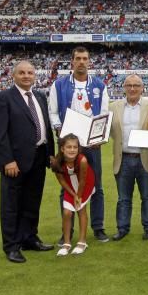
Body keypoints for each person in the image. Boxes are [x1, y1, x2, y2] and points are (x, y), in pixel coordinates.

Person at [0, 61, 55, 263]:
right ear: (14, 75)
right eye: (22, 73)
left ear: (35, 75)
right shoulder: (3, 98)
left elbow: (46, 127)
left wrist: (51, 154)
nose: (26, 76)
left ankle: (29, 238)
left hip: (39, 156)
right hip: (15, 161)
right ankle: (11, 246)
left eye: (30, 73)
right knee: (11, 205)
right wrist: (7, 160)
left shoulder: (40, 97)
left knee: (32, 201)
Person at [49, 46, 110, 243]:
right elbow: (53, 112)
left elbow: (103, 114)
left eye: (85, 58)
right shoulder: (59, 85)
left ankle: (98, 227)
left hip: (91, 144)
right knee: (66, 185)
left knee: (97, 186)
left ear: (89, 61)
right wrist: (60, 131)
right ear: (72, 61)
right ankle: (68, 230)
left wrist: (99, 137)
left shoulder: (100, 86)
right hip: (69, 146)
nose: (82, 62)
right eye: (78, 58)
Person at [109, 74, 148, 241]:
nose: (132, 88)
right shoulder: (113, 107)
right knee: (123, 198)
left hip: (145, 157)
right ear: (124, 87)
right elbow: (105, 130)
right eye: (129, 85)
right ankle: (122, 228)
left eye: (136, 85)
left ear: (142, 88)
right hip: (123, 159)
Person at [52, 134, 95, 256]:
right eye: (69, 147)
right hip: (69, 186)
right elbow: (62, 181)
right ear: (62, 149)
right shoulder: (56, 162)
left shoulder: (82, 160)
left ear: (78, 148)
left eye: (75, 147)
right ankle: (67, 243)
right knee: (67, 212)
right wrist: (73, 194)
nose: (72, 150)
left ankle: (82, 241)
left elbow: (82, 180)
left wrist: (79, 196)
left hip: (85, 184)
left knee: (81, 209)